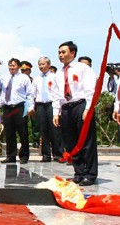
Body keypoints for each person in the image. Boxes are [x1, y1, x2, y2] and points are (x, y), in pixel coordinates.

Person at [52, 41, 97, 186]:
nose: (61, 55)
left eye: (63, 52)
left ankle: (90, 174)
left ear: (73, 53)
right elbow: (56, 94)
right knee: (70, 142)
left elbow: (90, 89)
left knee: (86, 141)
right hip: (66, 108)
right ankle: (79, 172)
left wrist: (88, 108)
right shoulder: (59, 73)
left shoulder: (82, 68)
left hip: (81, 105)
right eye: (59, 52)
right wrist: (56, 112)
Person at [0, 58, 34, 164]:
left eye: (13, 65)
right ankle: (11, 156)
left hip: (20, 107)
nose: (11, 67)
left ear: (18, 67)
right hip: (8, 108)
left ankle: (24, 156)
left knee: (23, 132)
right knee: (9, 133)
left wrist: (31, 107)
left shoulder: (24, 78)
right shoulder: (4, 77)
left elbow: (30, 94)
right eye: (10, 65)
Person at [32, 57, 64, 162]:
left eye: (43, 64)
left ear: (49, 65)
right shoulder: (36, 79)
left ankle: (58, 154)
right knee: (43, 130)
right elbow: (33, 94)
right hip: (40, 105)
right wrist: (32, 107)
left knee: (55, 130)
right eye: (40, 64)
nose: (41, 66)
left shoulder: (54, 77)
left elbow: (59, 92)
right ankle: (46, 155)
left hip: (52, 105)